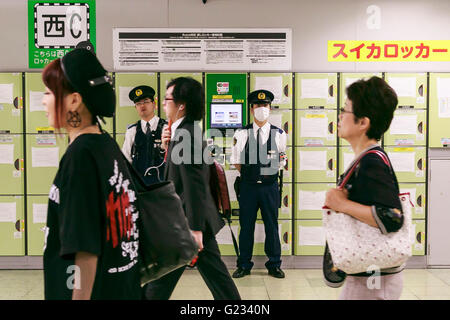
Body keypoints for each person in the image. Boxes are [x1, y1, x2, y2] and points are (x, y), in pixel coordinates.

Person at [41, 49, 141, 300]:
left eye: (50, 92)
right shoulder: (105, 145)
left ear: (74, 100)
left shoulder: (81, 157)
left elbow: (85, 249)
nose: (44, 101)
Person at [141, 77, 241, 300]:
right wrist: (167, 146)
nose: (163, 104)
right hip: (187, 220)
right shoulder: (182, 132)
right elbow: (178, 174)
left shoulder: (186, 134)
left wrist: (195, 230)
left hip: (188, 222)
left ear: (181, 104)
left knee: (160, 283)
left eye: (167, 99)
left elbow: (196, 185)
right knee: (213, 278)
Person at [324, 76, 405, 300]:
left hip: (374, 279)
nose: (339, 116)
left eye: (345, 110)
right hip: (370, 273)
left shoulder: (371, 162)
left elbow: (391, 217)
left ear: (363, 122)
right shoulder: (365, 159)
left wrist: (341, 204)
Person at [230, 89, 287, 279]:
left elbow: (281, 161)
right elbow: (237, 161)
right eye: (257, 105)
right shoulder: (242, 133)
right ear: (251, 108)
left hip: (269, 187)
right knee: (246, 227)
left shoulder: (279, 134)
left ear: (270, 108)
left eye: (265, 105)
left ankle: (274, 264)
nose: (261, 108)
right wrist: (252, 174)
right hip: (248, 187)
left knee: (272, 226)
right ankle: (244, 265)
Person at [122, 86, 167, 185]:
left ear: (154, 104)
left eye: (146, 101)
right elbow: (126, 161)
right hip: (140, 186)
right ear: (136, 107)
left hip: (162, 185)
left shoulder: (166, 128)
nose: (142, 106)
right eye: (138, 103)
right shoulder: (132, 131)